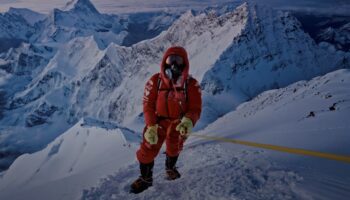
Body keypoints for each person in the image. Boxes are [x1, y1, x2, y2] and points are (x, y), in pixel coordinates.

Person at [130, 46, 202, 194]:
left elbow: (195, 108)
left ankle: (170, 168)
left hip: (179, 123)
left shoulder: (191, 84)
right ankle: (145, 179)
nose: (174, 64)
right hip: (158, 122)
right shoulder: (155, 81)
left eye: (178, 60)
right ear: (164, 62)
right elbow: (148, 105)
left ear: (185, 64)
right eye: (171, 60)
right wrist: (151, 125)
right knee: (148, 147)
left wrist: (188, 121)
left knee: (174, 146)